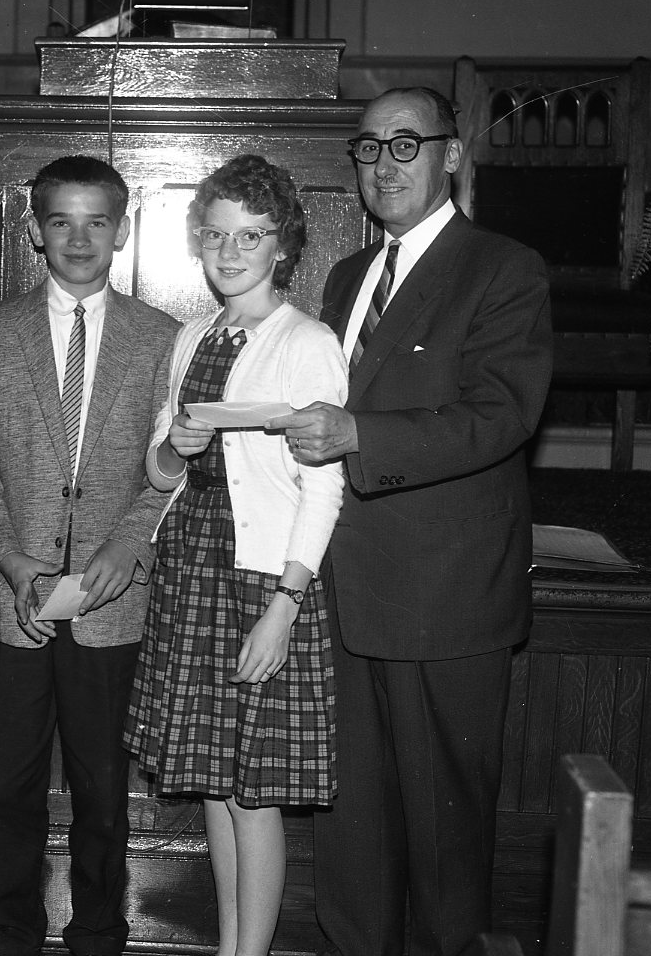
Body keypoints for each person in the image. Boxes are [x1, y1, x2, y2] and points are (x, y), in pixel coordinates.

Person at [268, 87, 553, 956]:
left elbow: (502, 415)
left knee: (442, 831)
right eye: (368, 148)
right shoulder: (349, 275)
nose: (383, 166)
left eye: (405, 145)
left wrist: (360, 435)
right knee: (351, 821)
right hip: (345, 587)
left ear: (450, 156)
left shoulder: (501, 268)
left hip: (444, 593)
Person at [0, 155, 178, 956]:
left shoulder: (162, 339)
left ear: (122, 230)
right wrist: (11, 563)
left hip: (110, 604)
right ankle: (9, 934)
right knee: (7, 787)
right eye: (60, 222)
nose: (78, 240)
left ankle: (98, 934)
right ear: (34, 230)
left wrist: (128, 542)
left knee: (102, 791)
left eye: (95, 222)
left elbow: (171, 471)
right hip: (16, 601)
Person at [125, 155, 346, 956]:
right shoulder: (192, 336)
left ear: (282, 245)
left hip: (261, 579)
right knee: (215, 786)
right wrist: (174, 447)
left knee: (252, 793)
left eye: (250, 236)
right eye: (215, 235)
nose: (229, 252)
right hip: (192, 565)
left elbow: (323, 487)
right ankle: (229, 946)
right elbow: (160, 471)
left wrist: (284, 606)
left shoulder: (306, 341)